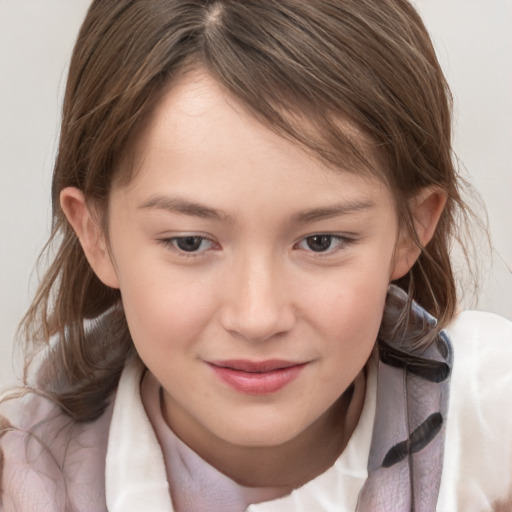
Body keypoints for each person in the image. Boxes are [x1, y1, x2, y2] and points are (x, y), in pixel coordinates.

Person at [1, 0, 511, 510]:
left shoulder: (491, 434)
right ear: (95, 235)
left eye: (320, 242)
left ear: (411, 229)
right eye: (190, 242)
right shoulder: (20, 480)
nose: (258, 317)